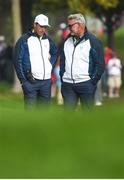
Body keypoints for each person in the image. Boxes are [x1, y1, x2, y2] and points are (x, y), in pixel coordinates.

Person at [59, 13, 105, 109]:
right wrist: (63, 76)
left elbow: (100, 64)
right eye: (69, 25)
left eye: (71, 25)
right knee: (68, 117)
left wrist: (92, 81)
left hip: (86, 84)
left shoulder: (93, 41)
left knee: (87, 117)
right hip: (68, 85)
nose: (69, 28)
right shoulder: (66, 40)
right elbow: (63, 61)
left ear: (80, 25)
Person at [14, 14, 58, 107]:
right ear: (35, 24)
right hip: (30, 82)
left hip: (46, 82)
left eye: (45, 27)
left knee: (44, 115)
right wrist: (23, 81)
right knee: (31, 116)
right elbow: (17, 61)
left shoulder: (48, 39)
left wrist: (49, 65)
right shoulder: (24, 39)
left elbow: (55, 52)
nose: (43, 29)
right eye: (41, 26)